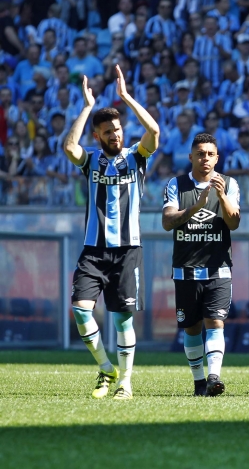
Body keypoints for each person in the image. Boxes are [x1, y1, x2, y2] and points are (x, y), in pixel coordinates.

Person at [62, 66, 160, 399]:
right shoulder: (90, 160)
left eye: (117, 129)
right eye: (108, 132)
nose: (115, 135)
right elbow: (69, 147)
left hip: (128, 249)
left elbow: (154, 131)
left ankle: (125, 383)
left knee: (121, 321)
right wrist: (87, 107)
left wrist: (127, 97)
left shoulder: (137, 157)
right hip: (93, 250)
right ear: (98, 136)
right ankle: (106, 367)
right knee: (80, 309)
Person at [162, 133, 240, 396]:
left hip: (218, 268)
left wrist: (222, 196)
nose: (205, 158)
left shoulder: (229, 184)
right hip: (185, 268)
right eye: (200, 154)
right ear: (191, 157)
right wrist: (197, 206)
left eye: (210, 154)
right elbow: (167, 222)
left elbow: (234, 222)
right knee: (192, 327)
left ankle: (214, 377)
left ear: (217, 158)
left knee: (215, 322)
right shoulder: (176, 184)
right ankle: (198, 382)